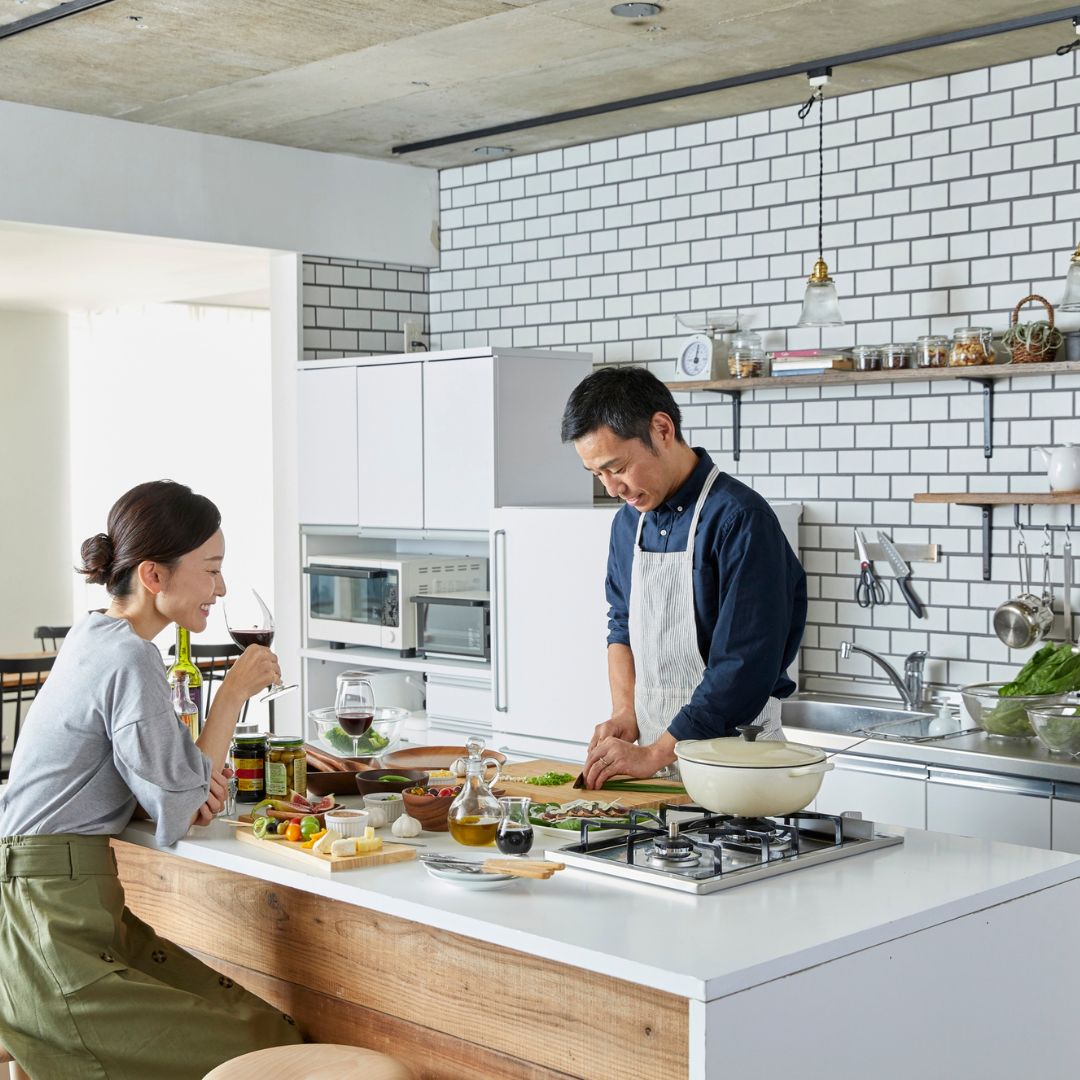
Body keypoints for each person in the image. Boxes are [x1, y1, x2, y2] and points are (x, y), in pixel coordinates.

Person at [0, 480, 303, 1080]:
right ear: (154, 576)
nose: (219, 588)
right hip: (52, 929)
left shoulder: (93, 633)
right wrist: (232, 695)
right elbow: (182, 811)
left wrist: (179, 788)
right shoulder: (131, 657)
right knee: (272, 1045)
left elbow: (154, 788)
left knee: (273, 1034)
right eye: (212, 569)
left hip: (51, 908)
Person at [561, 366, 807, 789]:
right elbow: (621, 627)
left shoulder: (740, 520)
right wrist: (626, 715)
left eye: (616, 467)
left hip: (737, 767)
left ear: (661, 428)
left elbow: (743, 667)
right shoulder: (627, 524)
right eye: (597, 474)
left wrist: (656, 753)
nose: (611, 488)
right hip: (654, 766)